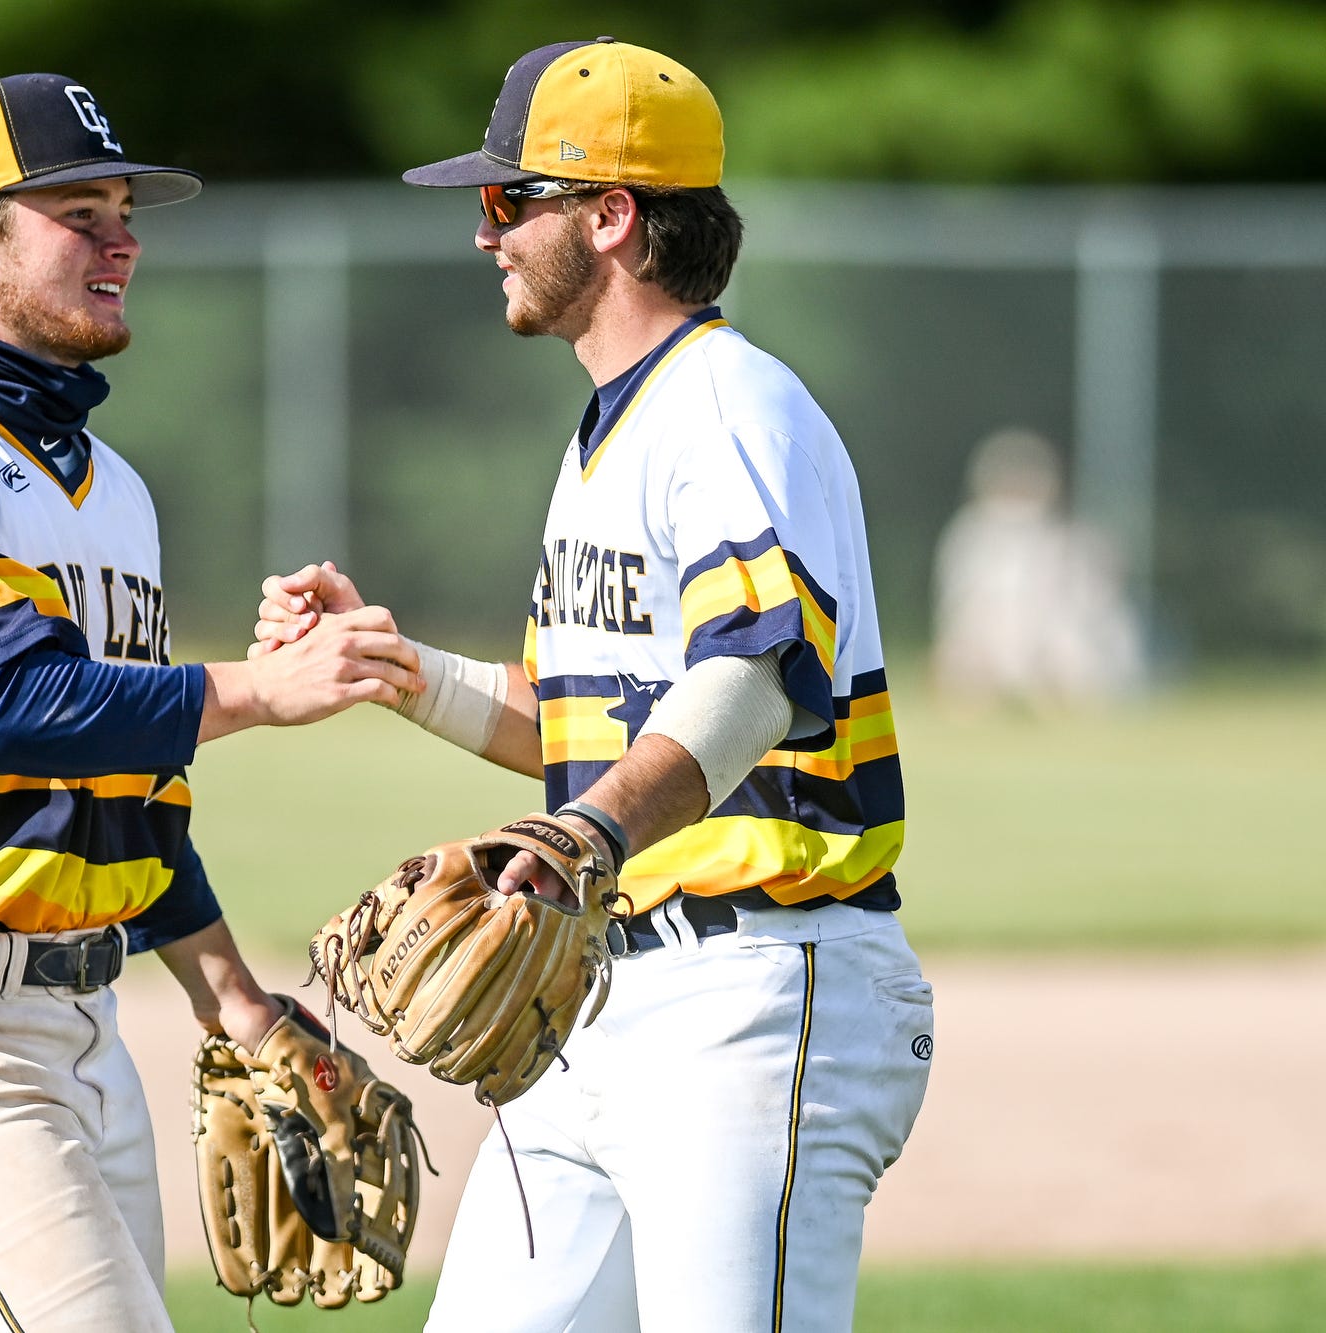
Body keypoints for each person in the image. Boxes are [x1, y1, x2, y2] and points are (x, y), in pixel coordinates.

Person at [255, 39, 933, 1332]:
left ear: (611, 217)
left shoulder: (730, 407)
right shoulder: (608, 434)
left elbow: (753, 683)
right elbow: (587, 730)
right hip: (603, 993)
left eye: (510, 200)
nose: (483, 235)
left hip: (757, 986)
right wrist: (396, 671)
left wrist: (588, 831)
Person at [0, 73, 420, 1332]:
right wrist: (252, 691)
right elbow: (2, 711)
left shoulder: (112, 489)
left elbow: (118, 792)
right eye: (78, 209)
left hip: (81, 1033)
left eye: (124, 207)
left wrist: (229, 994)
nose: (122, 237)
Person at [931, 426, 1146, 709]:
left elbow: (1092, 612)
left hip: (1055, 644)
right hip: (991, 647)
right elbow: (960, 610)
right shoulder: (969, 535)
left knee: (1069, 653)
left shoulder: (1070, 540)